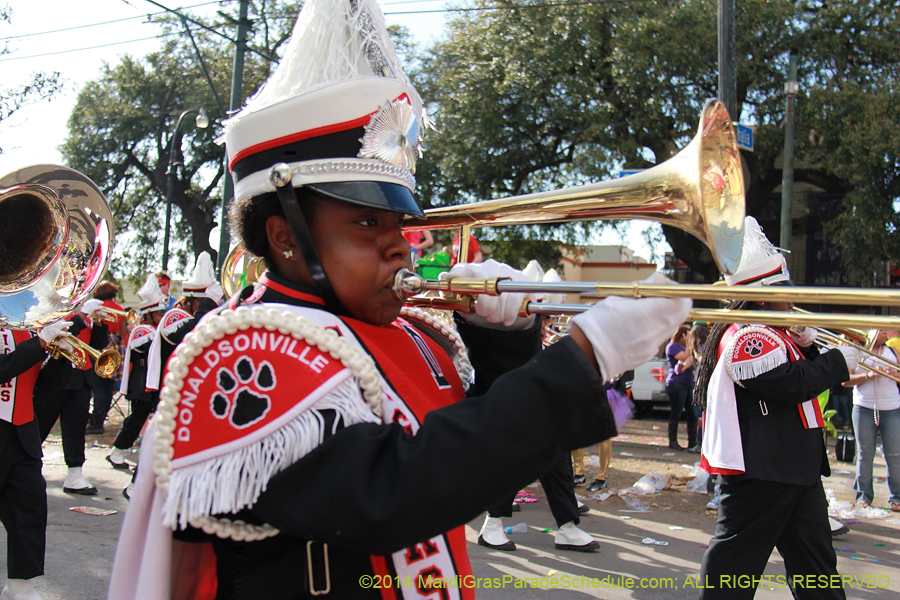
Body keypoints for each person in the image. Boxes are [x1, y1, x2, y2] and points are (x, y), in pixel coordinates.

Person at [106, 1, 690, 597]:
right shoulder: (239, 347)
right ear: (285, 238)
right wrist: (588, 354)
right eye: (367, 225)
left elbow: (478, 473)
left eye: (399, 226)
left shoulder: (409, 334)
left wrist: (505, 340)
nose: (400, 250)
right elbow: (389, 494)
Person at [695, 216, 861, 600]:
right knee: (734, 562)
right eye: (783, 290)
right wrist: (837, 360)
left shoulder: (770, 333)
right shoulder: (749, 336)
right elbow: (789, 385)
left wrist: (807, 346)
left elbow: (793, 375)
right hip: (765, 468)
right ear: (764, 295)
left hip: (793, 466)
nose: (792, 298)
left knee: (815, 562)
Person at [0, 320, 71, 600]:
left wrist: (59, 358)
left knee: (28, 510)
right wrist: (39, 343)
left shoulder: (26, 334)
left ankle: (18, 587)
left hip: (22, 434)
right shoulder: (34, 339)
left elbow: (46, 388)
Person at [33, 299, 109, 495]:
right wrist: (82, 315)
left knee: (75, 428)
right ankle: (23, 468)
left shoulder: (85, 314)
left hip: (81, 375)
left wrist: (98, 323)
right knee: (39, 425)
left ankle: (75, 474)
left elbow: (99, 344)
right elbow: (60, 335)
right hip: (55, 376)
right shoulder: (55, 308)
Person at [105, 275, 170, 478]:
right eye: (159, 313)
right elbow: (144, 346)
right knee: (136, 418)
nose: (162, 316)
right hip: (140, 385)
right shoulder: (143, 330)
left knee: (139, 417)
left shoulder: (152, 329)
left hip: (146, 384)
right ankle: (117, 450)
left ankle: (118, 450)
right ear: (150, 314)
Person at [843, 329, 900, 511]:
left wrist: (891, 372)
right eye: (882, 329)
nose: (887, 333)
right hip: (864, 406)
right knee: (864, 454)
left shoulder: (892, 350)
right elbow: (846, 380)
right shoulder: (858, 350)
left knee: (894, 454)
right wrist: (868, 375)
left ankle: (897, 497)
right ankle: (863, 496)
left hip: (891, 407)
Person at [86, 280, 125, 435]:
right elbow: (123, 333)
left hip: (101, 346)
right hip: (117, 347)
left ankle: (95, 421)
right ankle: (100, 418)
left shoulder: (97, 307)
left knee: (98, 386)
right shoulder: (120, 309)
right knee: (108, 387)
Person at [665, 324, 697, 450]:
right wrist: (690, 343)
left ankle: (692, 442)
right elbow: (684, 357)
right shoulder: (672, 346)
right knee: (676, 412)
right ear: (682, 335)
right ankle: (673, 441)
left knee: (692, 413)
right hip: (676, 383)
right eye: (687, 336)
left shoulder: (681, 347)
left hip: (687, 382)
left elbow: (691, 358)